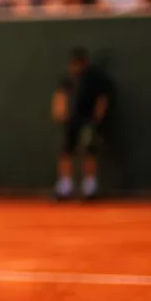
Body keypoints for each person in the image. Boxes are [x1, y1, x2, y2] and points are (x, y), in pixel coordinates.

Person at [52, 46, 112, 200]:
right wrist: (60, 110)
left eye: (78, 63)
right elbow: (61, 95)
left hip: (88, 121)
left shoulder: (95, 78)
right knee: (66, 152)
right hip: (71, 121)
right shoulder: (67, 78)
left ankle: (89, 187)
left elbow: (102, 98)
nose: (75, 67)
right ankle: (65, 186)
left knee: (89, 152)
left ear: (85, 62)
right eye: (73, 64)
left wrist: (97, 117)